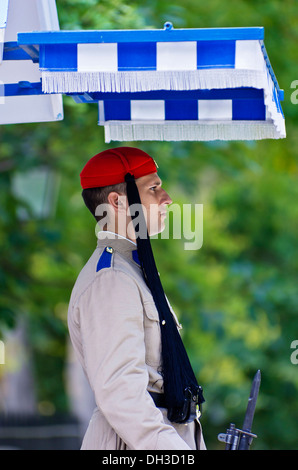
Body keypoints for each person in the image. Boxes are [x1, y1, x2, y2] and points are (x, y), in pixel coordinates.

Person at [67, 146, 206, 450]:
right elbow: (121, 393)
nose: (167, 198)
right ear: (117, 202)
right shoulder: (112, 279)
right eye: (154, 188)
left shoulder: (131, 270)